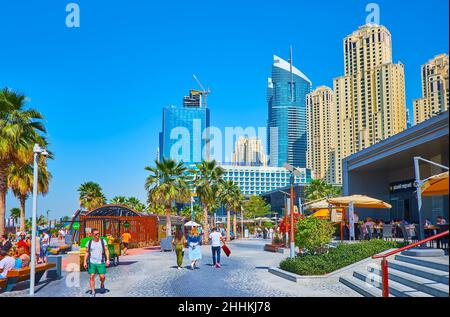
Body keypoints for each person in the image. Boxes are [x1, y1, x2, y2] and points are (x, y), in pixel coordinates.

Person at [83, 229, 110, 297]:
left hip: (101, 262)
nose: (98, 235)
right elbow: (86, 252)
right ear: (92, 235)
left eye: (98, 233)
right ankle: (93, 291)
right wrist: (84, 262)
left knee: (102, 277)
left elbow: (106, 250)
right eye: (96, 234)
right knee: (91, 276)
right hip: (92, 262)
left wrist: (107, 260)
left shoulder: (102, 241)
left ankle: (102, 284)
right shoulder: (89, 243)